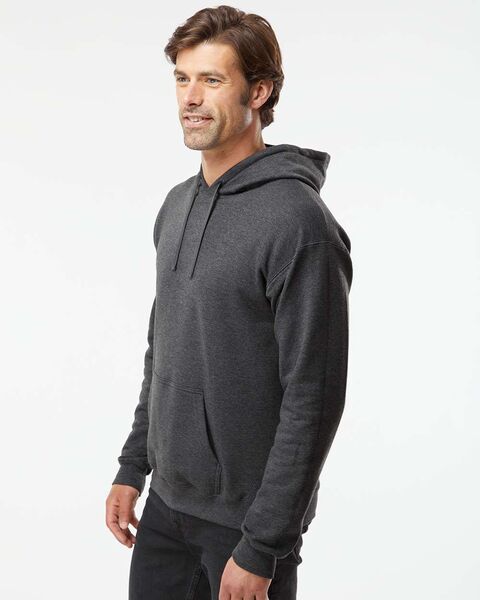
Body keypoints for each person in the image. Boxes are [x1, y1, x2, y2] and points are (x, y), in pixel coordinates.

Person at [105, 5, 353, 599]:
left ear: (258, 92)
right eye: (182, 78)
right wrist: (133, 465)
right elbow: (164, 348)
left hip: (245, 526)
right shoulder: (177, 205)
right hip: (166, 508)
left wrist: (263, 544)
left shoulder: (299, 224)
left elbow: (313, 397)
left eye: (212, 80)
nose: (190, 98)